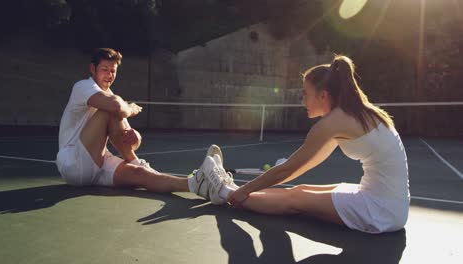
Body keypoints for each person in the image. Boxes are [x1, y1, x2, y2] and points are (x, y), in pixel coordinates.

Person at [196, 55, 410, 234]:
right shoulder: (357, 113)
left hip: (381, 210)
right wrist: (245, 189)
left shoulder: (332, 123)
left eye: (305, 94)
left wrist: (244, 191)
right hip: (390, 203)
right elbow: (299, 168)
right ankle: (229, 189)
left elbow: (289, 168)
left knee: (294, 199)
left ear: (323, 95)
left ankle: (222, 191)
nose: (302, 101)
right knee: (300, 190)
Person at [55, 47, 219, 196]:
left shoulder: (112, 97)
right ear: (92, 69)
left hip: (97, 165)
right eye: (105, 69)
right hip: (73, 163)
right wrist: (131, 108)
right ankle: (137, 162)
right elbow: (116, 107)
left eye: (113, 71)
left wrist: (135, 138)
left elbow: (128, 140)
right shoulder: (83, 87)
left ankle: (196, 183)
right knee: (110, 109)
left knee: (140, 175)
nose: (109, 75)